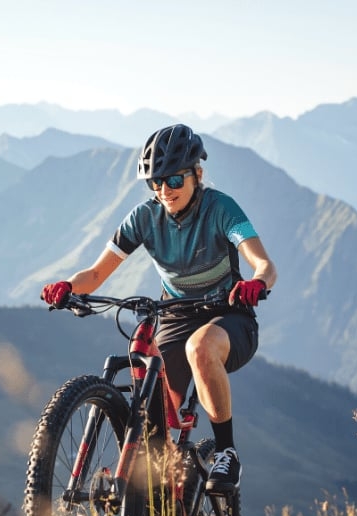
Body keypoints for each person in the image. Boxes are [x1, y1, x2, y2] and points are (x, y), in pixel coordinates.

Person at [40, 123, 277, 493]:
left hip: (228, 315)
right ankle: (163, 511)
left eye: (175, 180)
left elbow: (264, 264)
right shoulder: (145, 218)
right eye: (156, 183)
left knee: (200, 348)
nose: (165, 191)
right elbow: (97, 273)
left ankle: (226, 452)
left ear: (197, 174)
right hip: (176, 317)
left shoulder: (221, 209)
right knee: (156, 416)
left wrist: (255, 283)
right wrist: (68, 286)